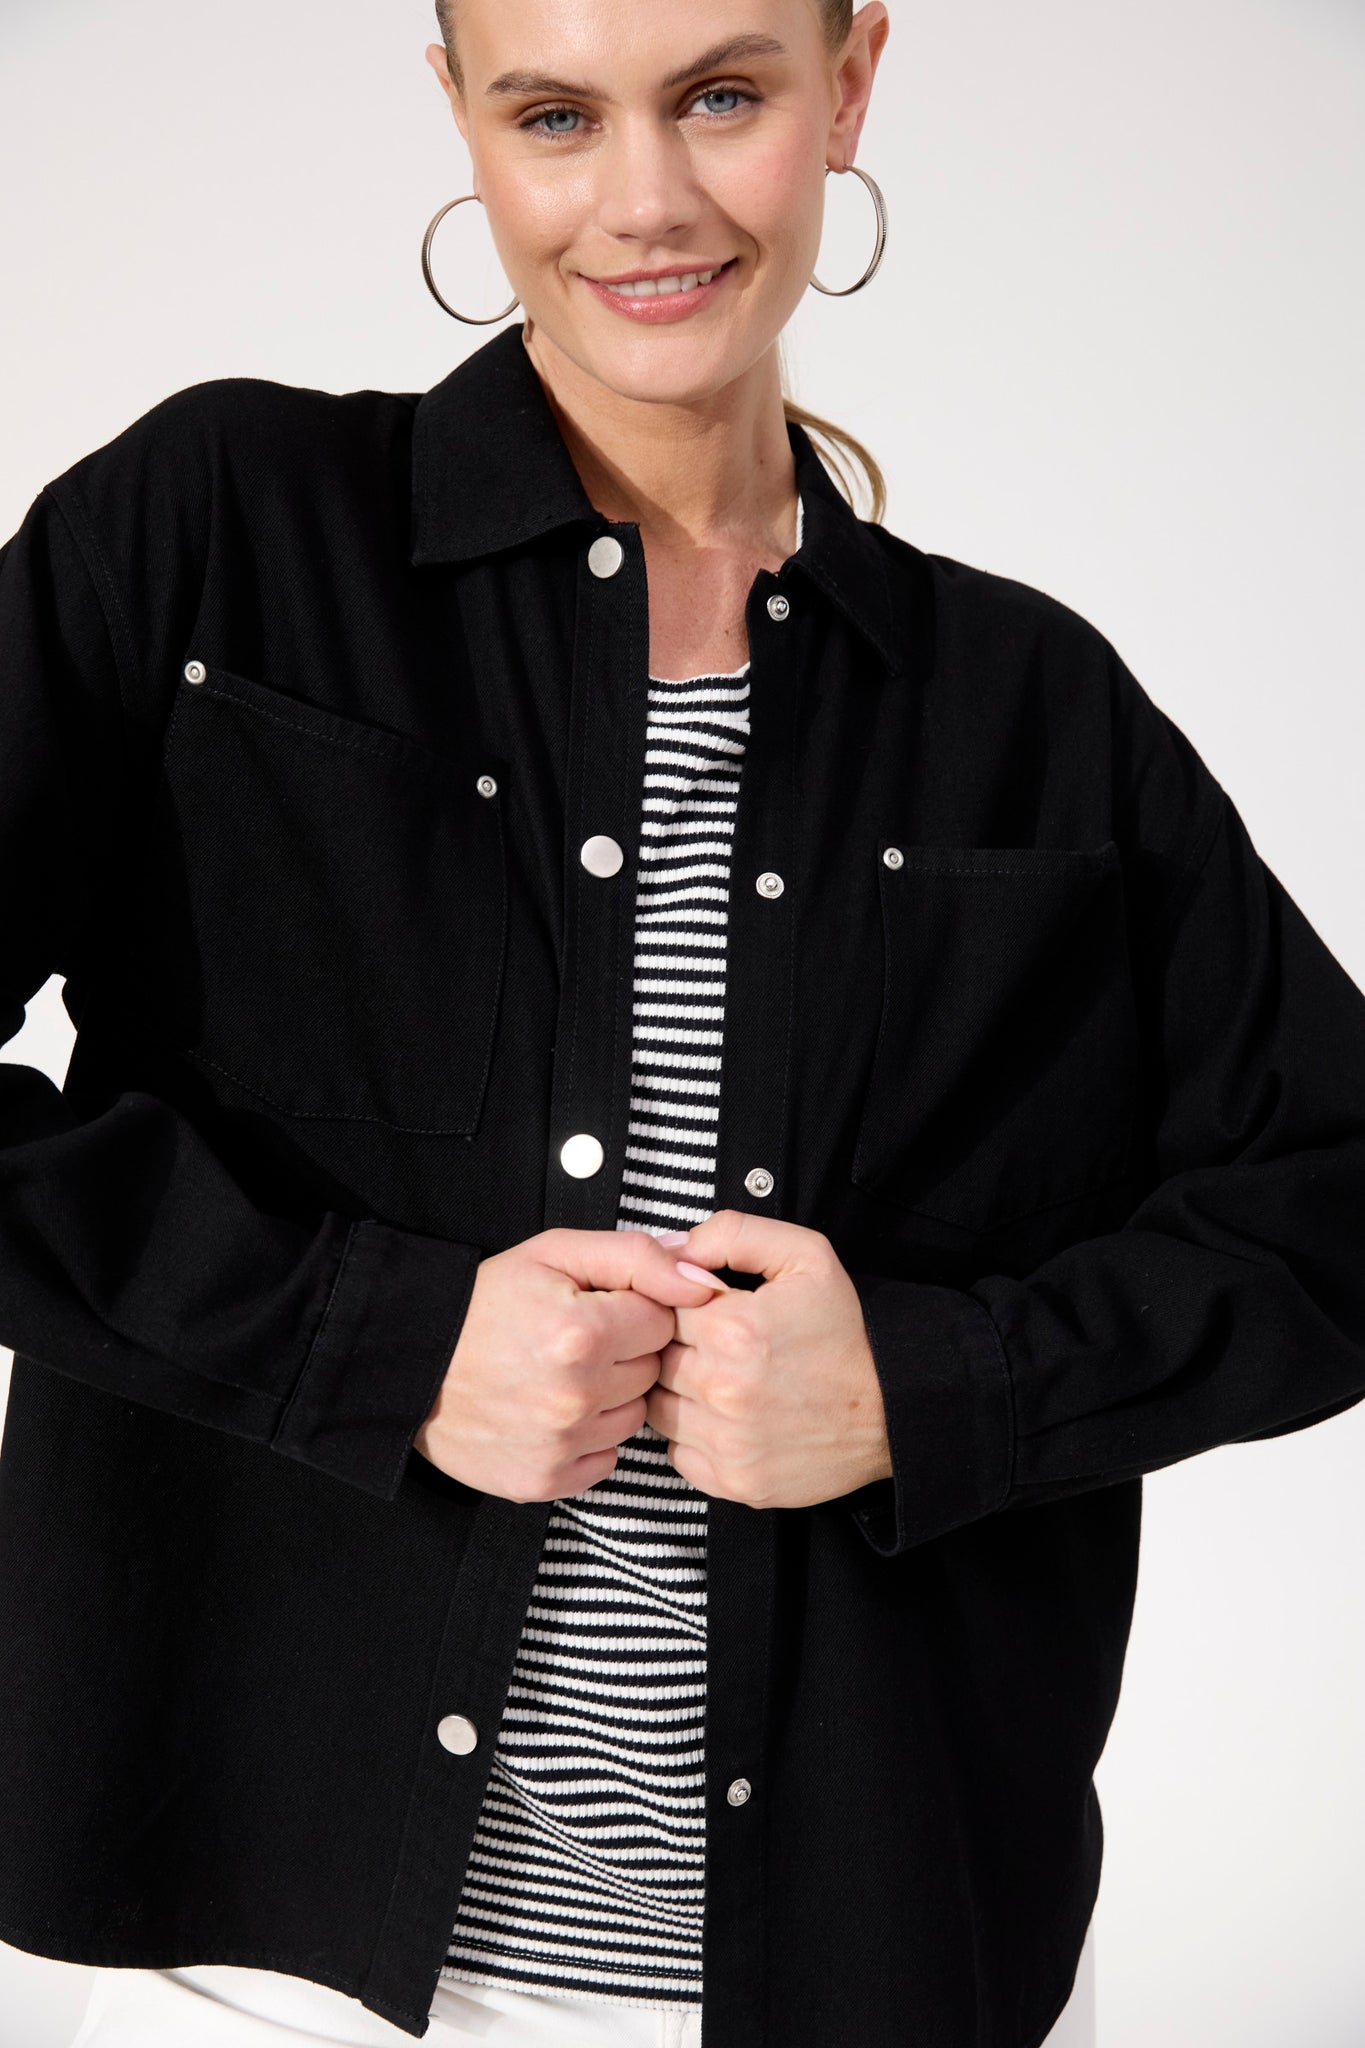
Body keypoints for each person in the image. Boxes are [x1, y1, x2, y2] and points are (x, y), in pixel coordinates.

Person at [1, 0, 1361, 2044]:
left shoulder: (1030, 713)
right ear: (461, 118)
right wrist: (371, 1344)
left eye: (722, 96)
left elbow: (1335, 1196)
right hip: (249, 1975)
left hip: (882, 1970)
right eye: (555, 114)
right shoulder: (220, 535)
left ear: (850, 83)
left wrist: (932, 1388)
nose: (644, 201)